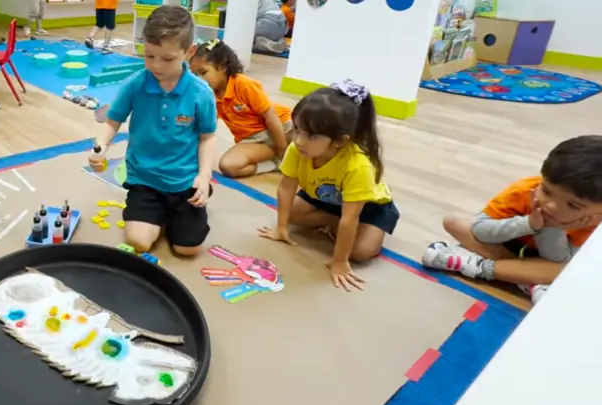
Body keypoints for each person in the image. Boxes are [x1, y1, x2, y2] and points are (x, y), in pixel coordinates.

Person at [89, 5, 217, 257]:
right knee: (139, 242)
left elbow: (207, 137)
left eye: (167, 59)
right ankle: (160, 215)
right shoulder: (135, 85)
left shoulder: (201, 92)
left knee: (187, 249)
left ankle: (189, 205)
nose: (156, 65)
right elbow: (111, 122)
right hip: (144, 179)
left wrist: (204, 176)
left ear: (189, 52)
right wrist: (100, 147)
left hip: (183, 180)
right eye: (149, 56)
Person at [422, 136, 602, 304]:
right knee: (454, 221)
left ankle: (479, 266)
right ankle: (527, 278)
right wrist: (529, 224)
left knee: (566, 270)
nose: (551, 205)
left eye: (573, 205)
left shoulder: (594, 223)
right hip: (508, 244)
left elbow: (558, 259)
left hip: (547, 261)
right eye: (546, 191)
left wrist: (551, 227)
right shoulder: (524, 190)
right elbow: (480, 230)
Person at [258, 80, 399, 292]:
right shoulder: (298, 150)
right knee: (292, 215)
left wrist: (339, 261)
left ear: (340, 141)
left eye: (312, 136)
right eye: (297, 129)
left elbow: (350, 217)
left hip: (368, 206)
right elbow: (286, 188)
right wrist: (281, 228)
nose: (299, 141)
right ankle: (332, 221)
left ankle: (353, 228)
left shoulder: (358, 165)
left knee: (361, 252)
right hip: (324, 197)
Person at [190, 39, 292, 177]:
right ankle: (276, 163)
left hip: (281, 128)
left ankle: (285, 153)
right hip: (252, 139)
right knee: (228, 166)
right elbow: (207, 128)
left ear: (222, 67)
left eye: (203, 72)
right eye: (195, 75)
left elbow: (270, 115)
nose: (199, 80)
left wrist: (282, 147)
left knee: (313, 150)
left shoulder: (243, 84)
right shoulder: (209, 95)